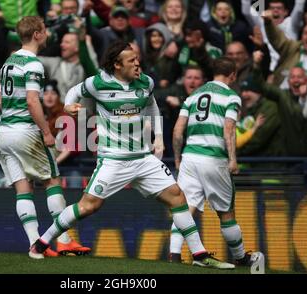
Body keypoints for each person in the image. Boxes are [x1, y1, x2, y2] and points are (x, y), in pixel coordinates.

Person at [30, 40, 234, 270]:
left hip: (143, 158)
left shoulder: (145, 82)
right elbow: (75, 91)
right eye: (132, 61)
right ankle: (41, 243)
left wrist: (158, 137)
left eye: (137, 59)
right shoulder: (98, 83)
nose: (138, 64)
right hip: (113, 160)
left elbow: (152, 106)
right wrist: (68, 105)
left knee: (177, 197)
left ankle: (199, 254)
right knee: (88, 206)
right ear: (117, 65)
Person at [0, 16, 90, 259]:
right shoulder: (33, 63)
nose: (48, 34)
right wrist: (47, 132)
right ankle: (64, 240)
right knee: (52, 181)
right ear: (37, 34)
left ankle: (35, 244)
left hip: (4, 132)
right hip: (25, 131)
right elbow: (31, 100)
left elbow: (2, 99)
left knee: (22, 188)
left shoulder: (8, 62)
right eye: (45, 30)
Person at [171, 57, 264, 266]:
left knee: (184, 208)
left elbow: (178, 130)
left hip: (189, 157)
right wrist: (233, 160)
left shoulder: (193, 96)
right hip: (213, 158)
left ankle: (174, 255)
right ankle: (240, 257)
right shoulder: (231, 97)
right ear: (232, 75)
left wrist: (177, 158)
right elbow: (229, 129)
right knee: (226, 212)